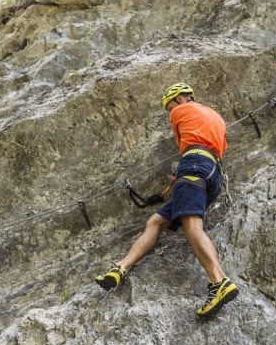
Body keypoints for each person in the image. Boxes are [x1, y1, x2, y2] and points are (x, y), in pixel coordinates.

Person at [95, 83, 239, 318]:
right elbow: (216, 148)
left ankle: (219, 282)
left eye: (171, 105)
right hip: (213, 173)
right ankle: (121, 268)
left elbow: (185, 146)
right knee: (155, 221)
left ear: (182, 99)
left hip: (193, 165)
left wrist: (186, 170)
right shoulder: (217, 118)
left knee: (192, 226)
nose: (170, 110)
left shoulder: (179, 111)